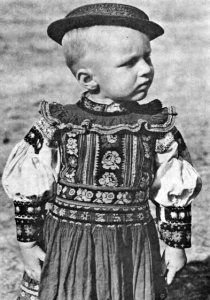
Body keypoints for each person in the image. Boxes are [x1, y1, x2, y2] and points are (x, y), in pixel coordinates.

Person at [2, 3, 202, 300]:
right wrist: (28, 244)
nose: (146, 69)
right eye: (129, 62)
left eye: (148, 57)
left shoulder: (155, 128)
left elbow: (172, 188)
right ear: (87, 79)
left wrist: (175, 245)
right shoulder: (59, 125)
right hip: (68, 244)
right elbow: (30, 186)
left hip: (131, 244)